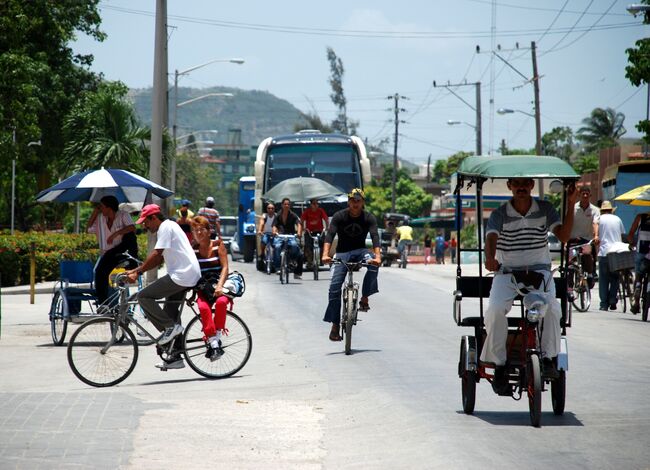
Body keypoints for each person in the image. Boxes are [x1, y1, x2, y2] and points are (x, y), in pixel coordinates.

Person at [482, 177, 577, 394]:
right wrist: (489, 257)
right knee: (495, 310)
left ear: (532, 185)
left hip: (539, 272)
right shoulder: (500, 214)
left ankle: (548, 358)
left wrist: (571, 204)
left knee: (552, 309)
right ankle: (499, 364)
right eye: (516, 184)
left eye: (525, 183)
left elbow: (563, 236)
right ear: (510, 187)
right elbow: (491, 239)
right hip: (507, 273)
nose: (521, 187)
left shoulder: (545, 209)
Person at [125, 204, 201, 370]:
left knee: (143, 296)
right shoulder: (170, 226)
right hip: (186, 274)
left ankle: (170, 328)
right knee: (170, 314)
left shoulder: (165, 227)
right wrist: (138, 269)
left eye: (146, 222)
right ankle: (175, 357)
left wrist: (137, 273)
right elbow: (158, 259)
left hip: (182, 276)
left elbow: (157, 255)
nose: (144, 226)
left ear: (154, 217)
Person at [322, 188, 381, 341]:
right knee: (334, 288)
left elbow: (375, 237)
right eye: (352, 201)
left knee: (374, 264)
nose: (355, 204)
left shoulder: (369, 218)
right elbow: (329, 236)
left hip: (361, 251)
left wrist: (378, 257)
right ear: (348, 202)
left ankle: (365, 297)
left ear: (363, 203)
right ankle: (335, 326)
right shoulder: (339, 216)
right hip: (342, 253)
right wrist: (325, 254)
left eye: (358, 201)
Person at [86, 195, 138, 307]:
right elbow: (89, 228)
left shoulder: (123, 215)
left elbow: (132, 228)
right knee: (100, 273)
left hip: (121, 251)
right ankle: (103, 303)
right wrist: (95, 212)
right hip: (107, 253)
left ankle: (132, 263)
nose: (100, 209)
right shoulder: (100, 218)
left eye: (101, 206)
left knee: (130, 237)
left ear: (109, 208)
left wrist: (116, 233)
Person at [191, 216, 229, 361]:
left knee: (221, 303)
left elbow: (225, 267)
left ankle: (217, 336)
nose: (199, 233)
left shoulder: (218, 244)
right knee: (203, 307)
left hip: (220, 284)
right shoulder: (193, 249)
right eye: (195, 230)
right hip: (204, 287)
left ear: (208, 231)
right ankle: (214, 343)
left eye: (201, 229)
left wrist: (220, 285)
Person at [596, 201, 626, 311]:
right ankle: (613, 300)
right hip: (616, 252)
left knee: (603, 279)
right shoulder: (618, 219)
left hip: (604, 252)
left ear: (602, 210)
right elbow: (622, 234)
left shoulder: (599, 219)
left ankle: (604, 304)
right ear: (611, 210)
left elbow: (595, 235)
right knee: (615, 277)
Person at [569, 186, 600, 288]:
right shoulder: (573, 208)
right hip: (573, 239)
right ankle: (569, 285)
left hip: (586, 239)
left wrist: (596, 236)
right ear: (579, 195)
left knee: (587, 254)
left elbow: (595, 223)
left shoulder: (595, 210)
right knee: (570, 261)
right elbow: (567, 223)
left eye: (587, 194)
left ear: (590, 195)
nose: (585, 196)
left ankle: (590, 275)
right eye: (583, 194)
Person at [272, 197, 303, 279]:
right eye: (285, 204)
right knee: (277, 247)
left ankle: (292, 260)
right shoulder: (278, 215)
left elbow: (299, 224)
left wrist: (299, 233)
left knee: (294, 245)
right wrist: (274, 232)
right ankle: (278, 267)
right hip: (281, 236)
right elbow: (274, 225)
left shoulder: (293, 215)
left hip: (290, 236)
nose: (286, 205)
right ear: (282, 205)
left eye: (288, 204)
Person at [629, 210, 650, 314]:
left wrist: (630, 243)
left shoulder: (641, 217)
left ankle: (637, 291)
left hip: (641, 251)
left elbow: (631, 233)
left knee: (638, 275)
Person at [300, 198, 329, 268]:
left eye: (317, 203)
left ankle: (322, 259)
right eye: (314, 204)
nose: (316, 205)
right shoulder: (307, 211)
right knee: (308, 245)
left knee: (323, 244)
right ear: (311, 205)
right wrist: (303, 228)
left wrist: (327, 227)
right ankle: (309, 262)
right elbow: (302, 220)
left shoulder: (320, 211)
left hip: (319, 231)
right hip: (309, 231)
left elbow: (326, 219)